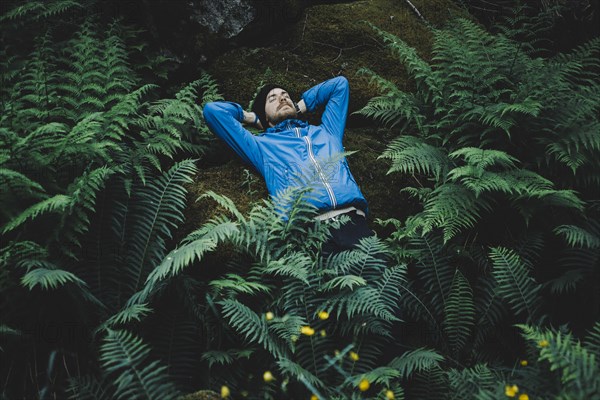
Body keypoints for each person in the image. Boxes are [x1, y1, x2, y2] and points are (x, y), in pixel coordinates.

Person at [202, 76, 373, 254]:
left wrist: (300, 106)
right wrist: (252, 117)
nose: (282, 98)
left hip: (353, 223)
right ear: (265, 115)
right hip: (308, 234)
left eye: (285, 95)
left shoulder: (327, 132)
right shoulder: (261, 147)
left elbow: (339, 85)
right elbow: (213, 111)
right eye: (272, 99)